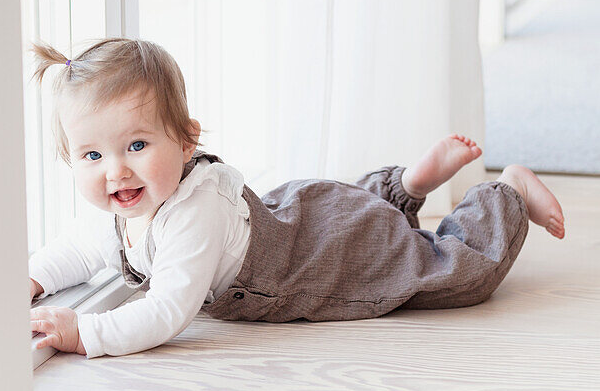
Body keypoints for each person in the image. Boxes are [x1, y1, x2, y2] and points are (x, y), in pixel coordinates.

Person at [29, 38, 565, 358]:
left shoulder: (193, 214)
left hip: (319, 259)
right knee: (368, 222)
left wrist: (86, 332)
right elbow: (78, 250)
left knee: (451, 273)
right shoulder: (130, 202)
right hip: (308, 222)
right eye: (91, 156)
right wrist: (32, 279)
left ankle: (506, 193)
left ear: (187, 140)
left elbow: (168, 309)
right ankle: (405, 188)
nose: (116, 171)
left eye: (137, 145)